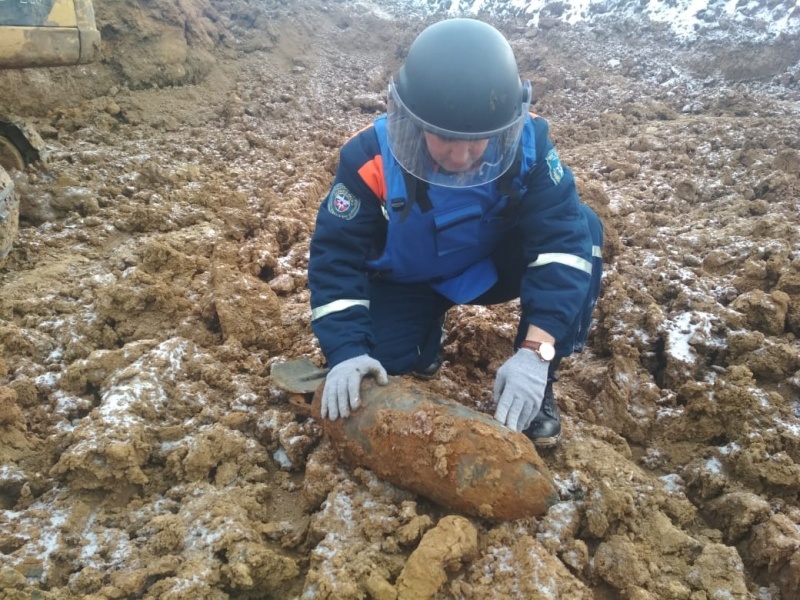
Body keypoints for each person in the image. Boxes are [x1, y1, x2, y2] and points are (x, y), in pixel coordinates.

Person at [308, 18, 603, 448]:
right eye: (445, 138)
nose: (461, 157)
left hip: (487, 266)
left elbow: (563, 243)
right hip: (408, 279)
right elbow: (336, 257)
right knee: (385, 363)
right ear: (414, 120)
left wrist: (536, 355)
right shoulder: (369, 159)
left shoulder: (531, 144)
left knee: (585, 226)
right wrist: (346, 349)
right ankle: (423, 338)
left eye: (478, 141)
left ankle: (539, 386)